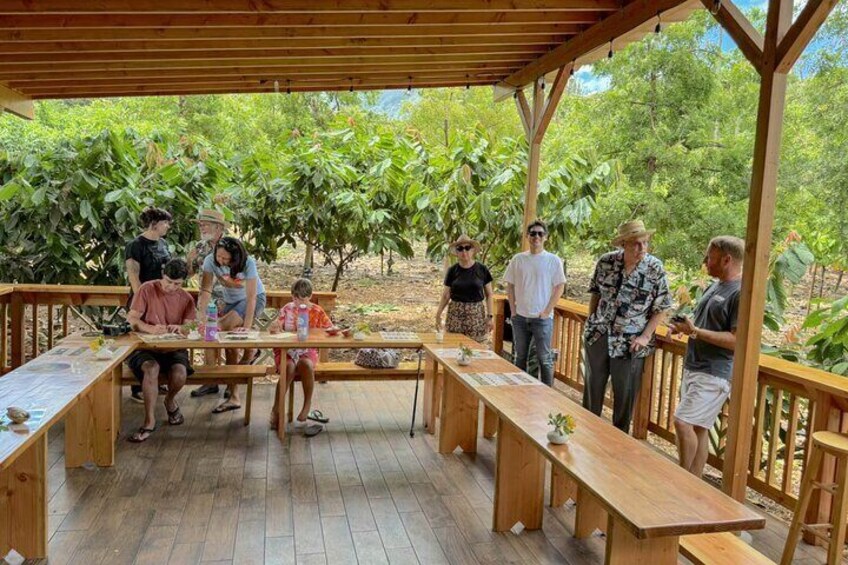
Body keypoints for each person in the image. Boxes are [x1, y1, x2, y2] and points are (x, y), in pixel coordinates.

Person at [583, 220, 672, 433]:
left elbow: (662, 307)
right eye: (635, 243)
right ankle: (586, 436)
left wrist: (645, 336)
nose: (642, 248)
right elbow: (595, 294)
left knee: (624, 395)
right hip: (599, 335)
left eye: (645, 243)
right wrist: (591, 321)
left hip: (630, 342)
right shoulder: (606, 262)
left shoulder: (654, 268)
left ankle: (618, 443)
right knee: (592, 388)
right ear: (623, 244)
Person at [670, 236, 743, 477]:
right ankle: (695, 484)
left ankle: (683, 480)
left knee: (682, 422)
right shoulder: (716, 285)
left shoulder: (740, 293)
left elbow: (736, 340)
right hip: (696, 366)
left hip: (715, 372)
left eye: (709, 257)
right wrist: (683, 328)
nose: (705, 261)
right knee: (699, 429)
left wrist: (696, 332)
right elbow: (703, 324)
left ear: (726, 259)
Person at [125, 259, 195, 443]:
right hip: (145, 347)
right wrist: (149, 328)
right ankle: (149, 420)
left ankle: (169, 400)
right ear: (163, 276)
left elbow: (190, 327)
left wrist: (180, 328)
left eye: (177, 284)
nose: (172, 287)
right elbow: (131, 319)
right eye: (168, 282)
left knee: (180, 374)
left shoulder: (186, 298)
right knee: (151, 368)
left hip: (172, 347)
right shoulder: (147, 289)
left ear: (183, 282)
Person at [197, 236, 267, 414]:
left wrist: (248, 326)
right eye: (218, 256)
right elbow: (206, 290)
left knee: (220, 327)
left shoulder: (248, 263)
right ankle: (228, 385)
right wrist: (201, 316)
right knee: (223, 339)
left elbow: (251, 297)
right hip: (231, 302)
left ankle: (228, 386)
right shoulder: (210, 261)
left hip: (253, 299)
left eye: (225, 258)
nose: (220, 261)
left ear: (235, 258)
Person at [504, 220, 566, 387]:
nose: (536, 236)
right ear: (527, 236)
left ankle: (548, 394)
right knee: (520, 357)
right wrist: (513, 310)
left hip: (542, 318)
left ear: (546, 237)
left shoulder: (553, 260)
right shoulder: (518, 259)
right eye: (533, 233)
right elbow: (509, 285)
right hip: (520, 317)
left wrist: (547, 311)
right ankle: (520, 391)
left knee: (544, 359)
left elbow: (560, 286)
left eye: (540, 233)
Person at [269, 278, 335, 436]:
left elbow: (330, 328)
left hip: (307, 349)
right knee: (289, 367)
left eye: (303, 299)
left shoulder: (317, 311)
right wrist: (276, 326)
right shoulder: (287, 309)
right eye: (295, 298)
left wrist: (323, 333)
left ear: (310, 297)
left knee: (306, 364)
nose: (298, 302)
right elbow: (276, 327)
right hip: (286, 349)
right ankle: (277, 409)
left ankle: (307, 405)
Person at [125, 206, 172, 403]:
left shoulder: (164, 244)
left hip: (161, 299)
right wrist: (142, 300)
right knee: (140, 340)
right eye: (165, 223)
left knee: (157, 339)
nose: (168, 227)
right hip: (141, 300)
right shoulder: (135, 245)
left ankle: (156, 382)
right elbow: (133, 275)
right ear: (155, 224)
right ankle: (137, 387)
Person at [186, 209, 228, 399]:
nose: (201, 226)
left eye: (205, 223)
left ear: (218, 227)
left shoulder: (232, 245)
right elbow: (189, 273)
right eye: (200, 224)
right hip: (208, 299)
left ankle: (232, 381)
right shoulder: (200, 247)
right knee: (207, 338)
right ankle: (211, 380)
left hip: (230, 299)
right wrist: (189, 259)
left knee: (229, 339)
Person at [435, 234, 495, 343]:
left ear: (473, 250)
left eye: (467, 248)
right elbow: (446, 295)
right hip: (455, 315)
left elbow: (489, 295)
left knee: (476, 350)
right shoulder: (452, 271)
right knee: (452, 347)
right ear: (456, 252)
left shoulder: (482, 269)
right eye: (460, 248)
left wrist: (490, 316)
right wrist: (438, 314)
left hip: (476, 316)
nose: (464, 251)